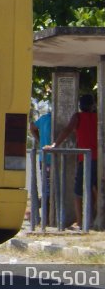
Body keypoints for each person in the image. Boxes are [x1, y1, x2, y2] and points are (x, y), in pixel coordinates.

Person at [45, 94, 98, 229]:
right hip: (99, 159)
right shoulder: (99, 117)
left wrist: (55, 145)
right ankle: (95, 218)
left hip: (85, 158)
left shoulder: (78, 117)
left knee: (78, 191)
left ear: (80, 105)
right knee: (96, 190)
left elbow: (67, 130)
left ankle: (80, 221)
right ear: (93, 105)